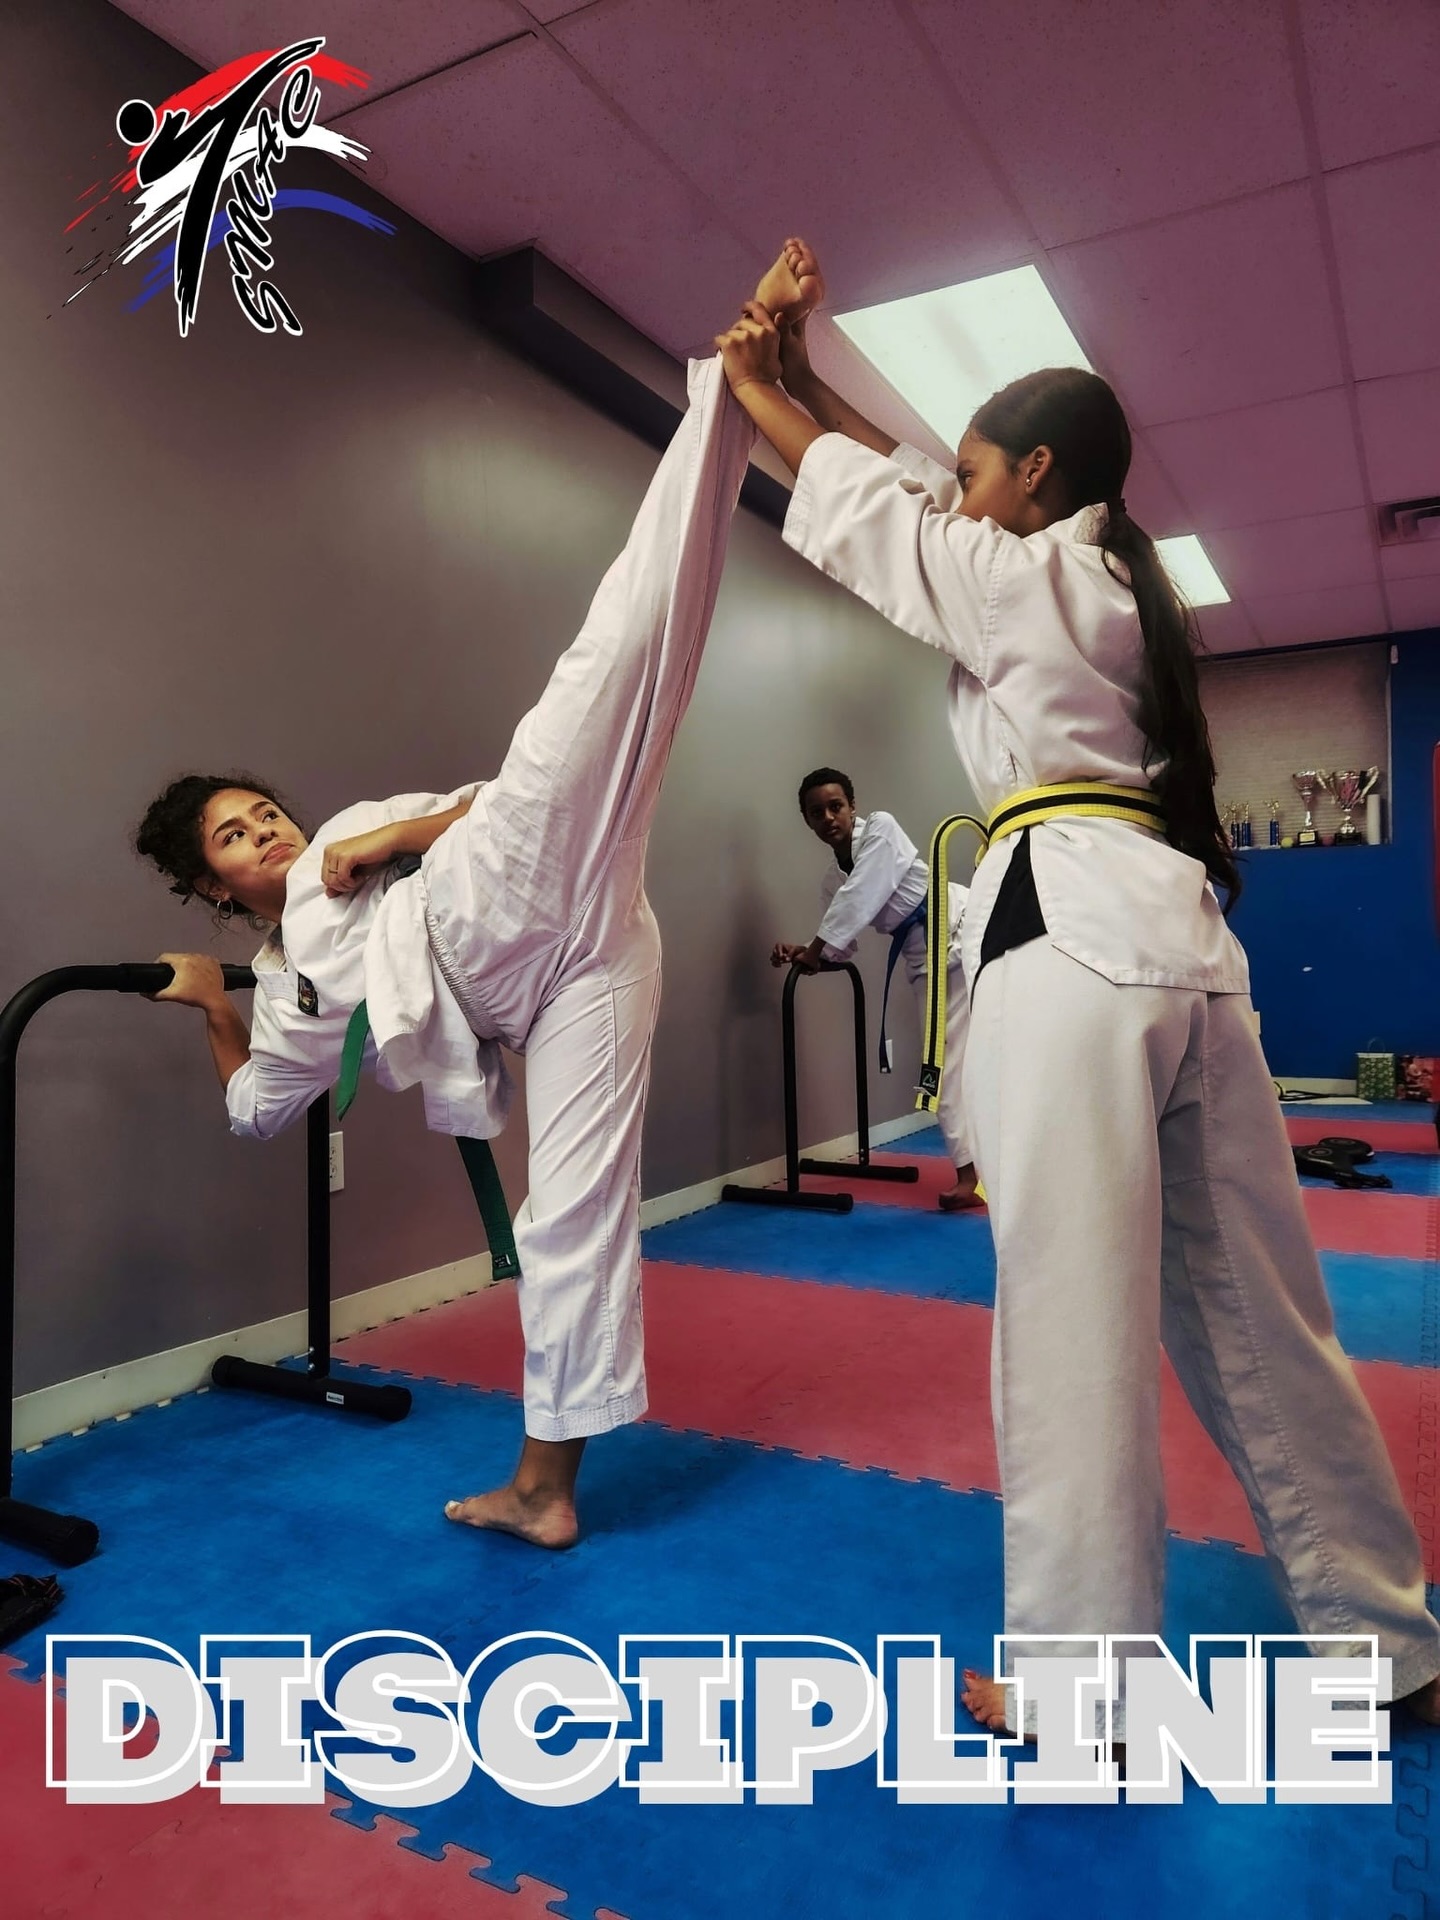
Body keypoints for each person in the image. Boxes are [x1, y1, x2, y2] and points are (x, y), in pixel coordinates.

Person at [713, 239, 1440, 1729]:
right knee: (1265, 1316)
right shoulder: (1110, 586)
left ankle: (1080, 1693)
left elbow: (878, 513)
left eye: (981, 472)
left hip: (1073, 950)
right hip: (1187, 955)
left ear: (1036, 475)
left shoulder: (1022, 576)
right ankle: (1391, 1639)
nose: (959, 493)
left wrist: (755, 386)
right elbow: (915, 489)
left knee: (1070, 1316)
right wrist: (801, 377)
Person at [135, 250, 818, 1550]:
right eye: (236, 835)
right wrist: (212, 1005)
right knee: (572, 1218)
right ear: (213, 882)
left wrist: (386, 836)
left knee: (619, 658)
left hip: (503, 881)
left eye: (260, 809)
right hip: (561, 982)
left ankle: (737, 390)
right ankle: (546, 1489)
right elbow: (253, 1112)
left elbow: (473, 805)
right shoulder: (287, 987)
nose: (266, 828)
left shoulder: (343, 837)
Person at [773, 765, 979, 1209]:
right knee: (941, 1063)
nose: (828, 817)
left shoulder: (881, 829)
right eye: (816, 812)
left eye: (836, 806)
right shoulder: (832, 883)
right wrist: (807, 950)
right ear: (807, 821)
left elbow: (862, 895)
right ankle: (971, 1170)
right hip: (928, 959)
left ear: (853, 807)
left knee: (1000, 1045)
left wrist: (818, 946)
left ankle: (984, 1169)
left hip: (970, 926)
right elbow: (841, 943)